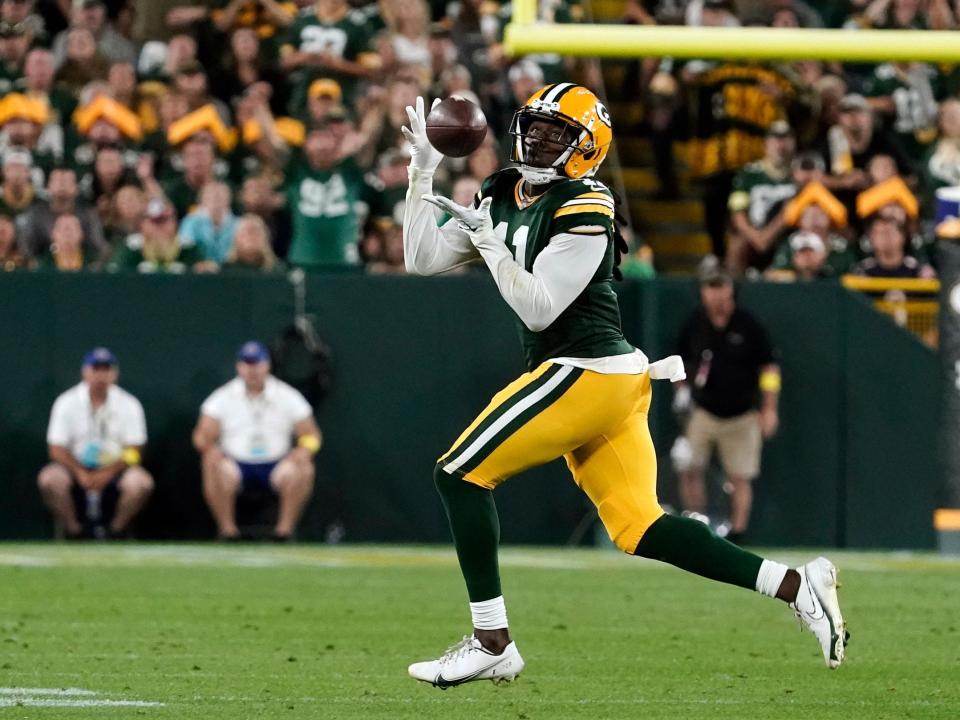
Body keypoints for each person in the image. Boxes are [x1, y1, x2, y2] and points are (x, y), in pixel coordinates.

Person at [401, 85, 847, 688]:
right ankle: (797, 586)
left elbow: (539, 309)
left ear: (585, 150)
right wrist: (421, 171)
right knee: (640, 527)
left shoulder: (588, 203)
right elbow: (421, 259)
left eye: (555, 133)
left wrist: (489, 241)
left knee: (458, 473)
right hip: (604, 379)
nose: (535, 139)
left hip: (585, 371)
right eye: (533, 126)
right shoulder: (501, 189)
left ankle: (492, 642)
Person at [674, 263, 782, 544]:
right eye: (710, 287)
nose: (716, 293)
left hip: (742, 414)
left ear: (731, 290)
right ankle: (695, 526)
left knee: (740, 476)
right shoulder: (695, 323)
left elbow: (769, 368)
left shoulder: (748, 324)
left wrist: (769, 408)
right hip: (704, 410)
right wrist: (681, 390)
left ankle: (738, 533)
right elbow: (679, 360)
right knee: (689, 467)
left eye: (720, 286)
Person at [192, 341, 322, 541]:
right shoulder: (222, 397)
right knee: (210, 463)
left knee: (305, 466)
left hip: (277, 465)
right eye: (247, 363)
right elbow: (201, 436)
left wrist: (305, 450)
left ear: (267, 365)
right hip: (235, 465)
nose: (252, 370)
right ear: (239, 367)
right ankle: (227, 531)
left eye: (257, 363)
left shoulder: (287, 396)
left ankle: (284, 532)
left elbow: (312, 435)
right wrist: (209, 449)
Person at [37, 347, 154, 539]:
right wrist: (80, 472)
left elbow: (135, 450)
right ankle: (74, 532)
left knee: (141, 483)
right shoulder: (66, 402)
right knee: (50, 479)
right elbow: (56, 449)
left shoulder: (129, 404)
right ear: (85, 371)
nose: (101, 375)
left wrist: (109, 472)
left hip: (116, 469)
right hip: (75, 468)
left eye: (106, 369)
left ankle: (115, 531)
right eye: (95, 369)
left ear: (114, 373)